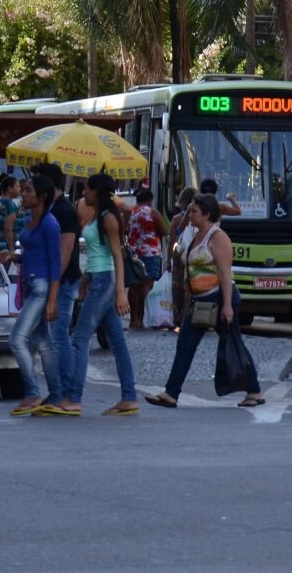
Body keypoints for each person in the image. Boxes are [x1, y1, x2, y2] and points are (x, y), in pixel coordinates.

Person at [145, 193, 265, 409]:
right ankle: (171, 393)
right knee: (185, 345)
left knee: (233, 343)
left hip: (219, 298)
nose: (189, 215)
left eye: (194, 211)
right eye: (189, 210)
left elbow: (225, 274)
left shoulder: (218, 237)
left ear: (207, 214)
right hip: (199, 300)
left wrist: (227, 305)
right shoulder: (195, 235)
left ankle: (254, 390)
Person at [60, 172, 139, 416]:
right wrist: (86, 277)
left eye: (87, 189)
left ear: (97, 191)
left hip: (105, 281)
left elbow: (117, 255)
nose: (84, 193)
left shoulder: (108, 218)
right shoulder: (98, 215)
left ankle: (73, 397)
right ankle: (129, 397)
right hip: (97, 278)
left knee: (79, 338)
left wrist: (119, 292)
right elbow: (97, 252)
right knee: (116, 342)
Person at [8, 175, 62, 416]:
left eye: (28, 191)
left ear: (42, 196)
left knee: (17, 339)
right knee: (43, 343)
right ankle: (57, 393)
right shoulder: (29, 221)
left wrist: (52, 299)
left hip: (41, 287)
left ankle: (32, 392)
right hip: (29, 284)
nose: (24, 194)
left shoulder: (50, 224)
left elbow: (55, 262)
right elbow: (31, 252)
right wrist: (13, 256)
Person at [28, 162, 80, 410]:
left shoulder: (64, 211)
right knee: (51, 338)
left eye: (35, 183)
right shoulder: (50, 210)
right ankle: (57, 391)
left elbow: (65, 251)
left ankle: (67, 393)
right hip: (53, 281)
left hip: (63, 282)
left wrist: (53, 286)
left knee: (59, 337)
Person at [126, 188, 167, 329]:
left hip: (133, 253)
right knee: (146, 285)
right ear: (150, 200)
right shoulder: (153, 213)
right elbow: (164, 231)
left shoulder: (130, 212)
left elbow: (125, 229)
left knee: (134, 285)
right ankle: (141, 317)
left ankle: (133, 318)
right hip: (151, 252)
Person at [169, 187, 199, 330]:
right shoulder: (200, 219)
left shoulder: (176, 219)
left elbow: (173, 241)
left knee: (177, 288)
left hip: (178, 255)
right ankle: (189, 316)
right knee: (190, 287)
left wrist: (168, 260)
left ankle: (177, 318)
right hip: (193, 254)